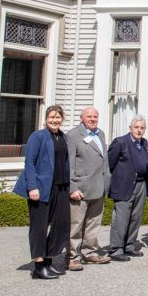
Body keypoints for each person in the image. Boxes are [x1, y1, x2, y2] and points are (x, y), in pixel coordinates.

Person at [13, 106, 70, 280]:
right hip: (41, 188)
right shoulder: (37, 136)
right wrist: (32, 187)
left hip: (60, 187)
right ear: (46, 119)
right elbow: (29, 162)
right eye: (52, 117)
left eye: (58, 117)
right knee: (39, 227)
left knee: (62, 225)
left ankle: (48, 261)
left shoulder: (63, 137)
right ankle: (38, 266)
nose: (55, 120)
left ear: (62, 119)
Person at [65, 106, 110, 271]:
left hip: (98, 187)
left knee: (93, 223)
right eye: (89, 117)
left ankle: (89, 252)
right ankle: (72, 256)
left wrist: (107, 183)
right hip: (80, 188)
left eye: (95, 117)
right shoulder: (73, 135)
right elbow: (68, 164)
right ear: (81, 118)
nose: (93, 119)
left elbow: (104, 161)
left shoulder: (100, 133)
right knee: (75, 225)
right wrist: (72, 187)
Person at [107, 116, 148, 263]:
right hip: (124, 185)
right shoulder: (120, 142)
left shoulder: (144, 143)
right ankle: (116, 249)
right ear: (130, 128)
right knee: (121, 219)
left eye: (142, 128)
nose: (139, 130)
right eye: (137, 127)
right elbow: (110, 164)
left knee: (135, 217)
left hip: (141, 184)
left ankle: (130, 245)